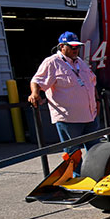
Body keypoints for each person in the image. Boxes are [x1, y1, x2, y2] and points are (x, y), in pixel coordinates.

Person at [29, 31, 99, 176]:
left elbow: (91, 82)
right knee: (73, 153)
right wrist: (35, 93)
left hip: (90, 115)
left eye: (77, 47)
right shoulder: (52, 62)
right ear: (62, 46)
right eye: (72, 47)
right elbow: (37, 80)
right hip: (69, 118)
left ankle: (96, 175)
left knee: (96, 150)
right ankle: (77, 180)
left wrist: (97, 100)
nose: (75, 49)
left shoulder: (80, 62)